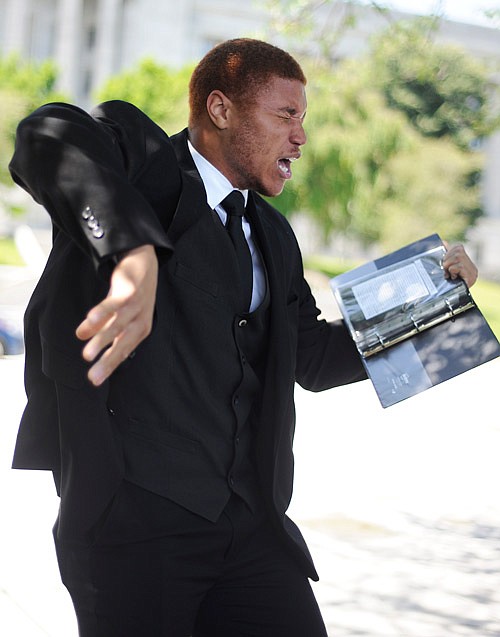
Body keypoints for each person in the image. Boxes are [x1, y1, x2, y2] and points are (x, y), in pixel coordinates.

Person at [9, 38, 478, 637]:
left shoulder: (274, 236)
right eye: (286, 116)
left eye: (303, 120)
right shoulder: (144, 166)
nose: (301, 137)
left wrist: (437, 305)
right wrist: (130, 249)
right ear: (221, 109)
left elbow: (313, 358)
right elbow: (46, 134)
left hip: (251, 529)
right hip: (133, 528)